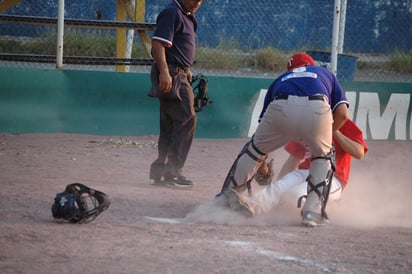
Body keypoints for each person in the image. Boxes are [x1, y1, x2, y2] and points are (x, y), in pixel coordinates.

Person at [217, 52, 350, 227]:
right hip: (316, 106)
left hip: (280, 105)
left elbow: (263, 139)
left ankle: (225, 200)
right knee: (322, 157)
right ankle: (312, 212)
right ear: (312, 64)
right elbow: (342, 114)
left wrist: (262, 167)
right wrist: (324, 136)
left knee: (253, 150)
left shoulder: (283, 78)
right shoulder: (324, 73)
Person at [233, 118, 368, 217]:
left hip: (332, 178)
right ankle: (246, 209)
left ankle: (327, 206)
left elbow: (359, 152)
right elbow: (293, 161)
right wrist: (278, 185)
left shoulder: (345, 123)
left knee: (293, 196)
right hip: (304, 172)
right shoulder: (309, 125)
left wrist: (335, 131)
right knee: (277, 189)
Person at [148, 0, 203, 189]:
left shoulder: (187, 15)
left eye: (201, 0)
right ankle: (172, 172)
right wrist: (165, 72)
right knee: (187, 119)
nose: (197, 2)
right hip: (171, 73)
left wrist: (185, 69)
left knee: (170, 122)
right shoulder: (172, 12)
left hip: (177, 72)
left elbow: (178, 45)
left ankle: (160, 171)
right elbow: (158, 44)